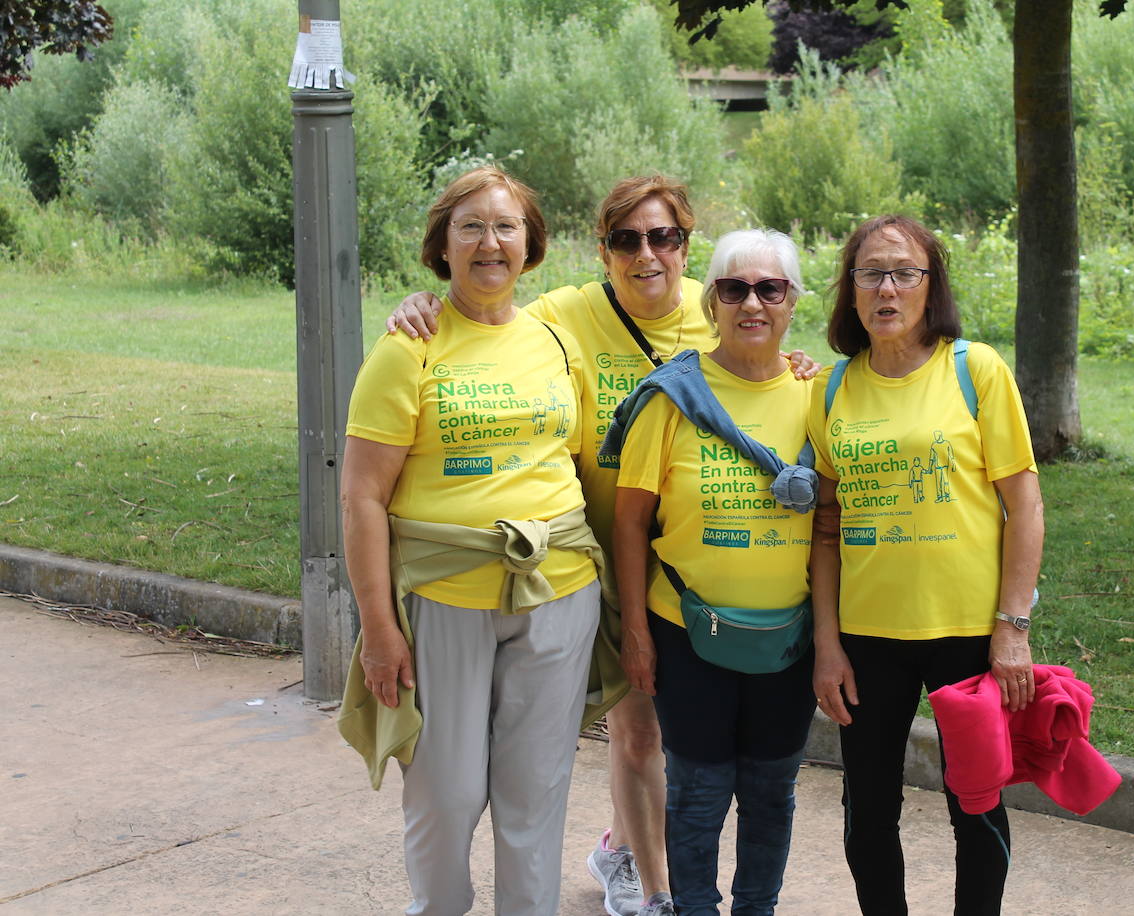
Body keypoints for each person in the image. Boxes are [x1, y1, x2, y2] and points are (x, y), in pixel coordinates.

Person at [385, 176, 817, 916]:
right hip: (597, 551)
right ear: (603, 250)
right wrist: (420, 304)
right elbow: (486, 316)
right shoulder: (563, 316)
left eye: (664, 237)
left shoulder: (717, 307)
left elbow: (762, 359)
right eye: (626, 239)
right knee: (636, 731)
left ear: (687, 246)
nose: (646, 254)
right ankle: (653, 887)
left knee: (665, 739)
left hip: (685, 559)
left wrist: (797, 364)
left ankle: (628, 849)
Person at [337, 166, 602, 916]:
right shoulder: (408, 347)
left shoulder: (556, 342)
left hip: (559, 591)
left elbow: (579, 459)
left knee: (535, 791)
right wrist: (378, 630)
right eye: (472, 227)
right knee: (445, 791)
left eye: (506, 226)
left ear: (530, 244)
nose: (491, 242)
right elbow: (361, 497)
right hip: (443, 597)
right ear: (443, 246)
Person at [807, 215, 1044, 915]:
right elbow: (825, 528)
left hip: (967, 635)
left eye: (905, 272)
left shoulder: (976, 370)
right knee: (867, 810)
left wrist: (1013, 627)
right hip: (867, 639)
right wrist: (827, 643)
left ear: (930, 284)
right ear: (851, 289)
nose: (887, 288)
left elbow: (1025, 506)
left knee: (977, 805)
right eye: (871, 273)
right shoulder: (829, 389)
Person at [610, 229, 818, 915]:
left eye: (770, 289)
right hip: (686, 633)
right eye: (734, 289)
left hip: (788, 639)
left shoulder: (820, 397)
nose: (752, 303)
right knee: (697, 796)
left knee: (771, 795)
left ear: (792, 302)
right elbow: (630, 524)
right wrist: (636, 632)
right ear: (712, 303)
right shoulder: (669, 399)